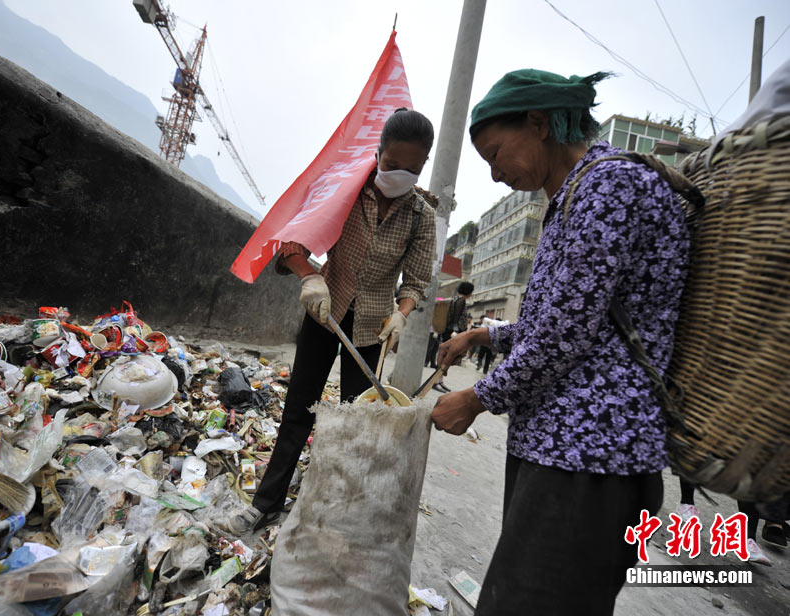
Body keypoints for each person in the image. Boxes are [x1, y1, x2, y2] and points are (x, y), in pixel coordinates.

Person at [431, 69, 690, 614]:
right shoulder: (575, 196)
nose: (496, 174)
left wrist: (476, 398)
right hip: (559, 450)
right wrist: (483, 333)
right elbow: (565, 319)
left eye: (496, 154)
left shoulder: (609, 186)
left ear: (538, 123)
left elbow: (563, 333)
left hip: (591, 457)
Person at [222, 108, 437, 534]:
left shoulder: (421, 216)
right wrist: (310, 277)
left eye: (411, 170)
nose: (399, 175)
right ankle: (266, 504)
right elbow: (292, 242)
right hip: (325, 314)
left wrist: (401, 314)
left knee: (354, 426)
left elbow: (415, 280)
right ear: (378, 153)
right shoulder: (346, 189)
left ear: (423, 166)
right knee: (298, 412)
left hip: (373, 330)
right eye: (391, 163)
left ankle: (331, 512)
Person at [433, 281, 474, 393]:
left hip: (448, 330)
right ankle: (436, 381)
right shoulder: (461, 300)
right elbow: (456, 316)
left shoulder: (455, 298)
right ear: (469, 291)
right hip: (452, 332)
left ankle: (440, 381)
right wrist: (455, 331)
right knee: (446, 357)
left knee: (445, 356)